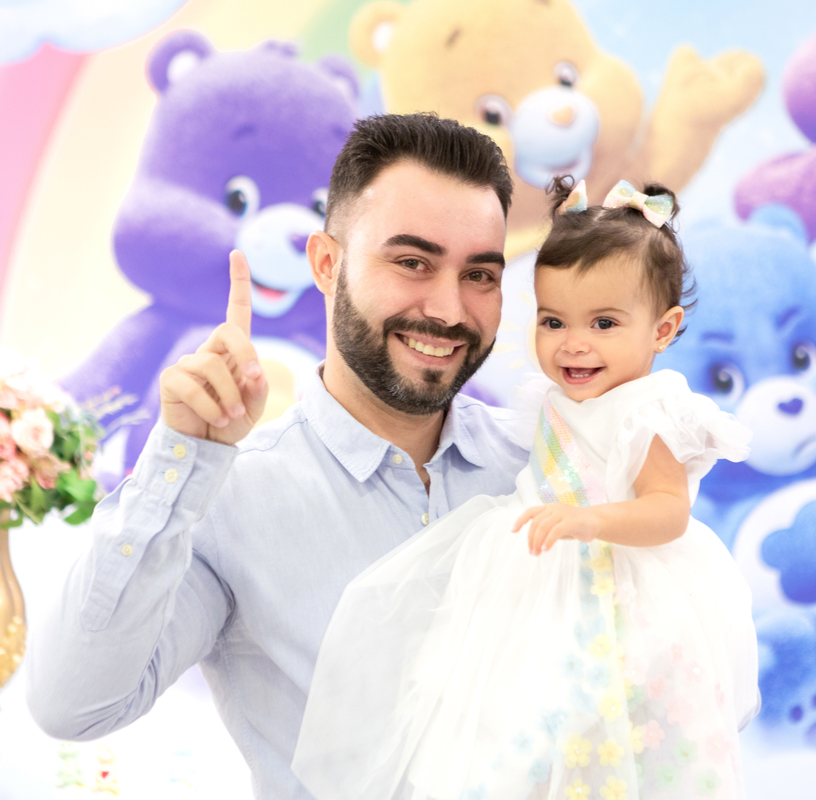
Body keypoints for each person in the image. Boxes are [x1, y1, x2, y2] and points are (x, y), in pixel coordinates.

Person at [25, 113, 526, 799]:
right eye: (412, 262)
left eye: (480, 275)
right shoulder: (231, 498)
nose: (448, 309)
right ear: (326, 264)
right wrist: (180, 458)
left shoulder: (546, 468)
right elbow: (73, 705)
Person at [291, 179, 760, 800]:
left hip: (618, 586)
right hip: (536, 572)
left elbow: (668, 511)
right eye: (552, 321)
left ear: (663, 329)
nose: (574, 343)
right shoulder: (553, 401)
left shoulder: (648, 411)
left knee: (619, 721)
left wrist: (592, 521)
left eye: (604, 323)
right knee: (501, 710)